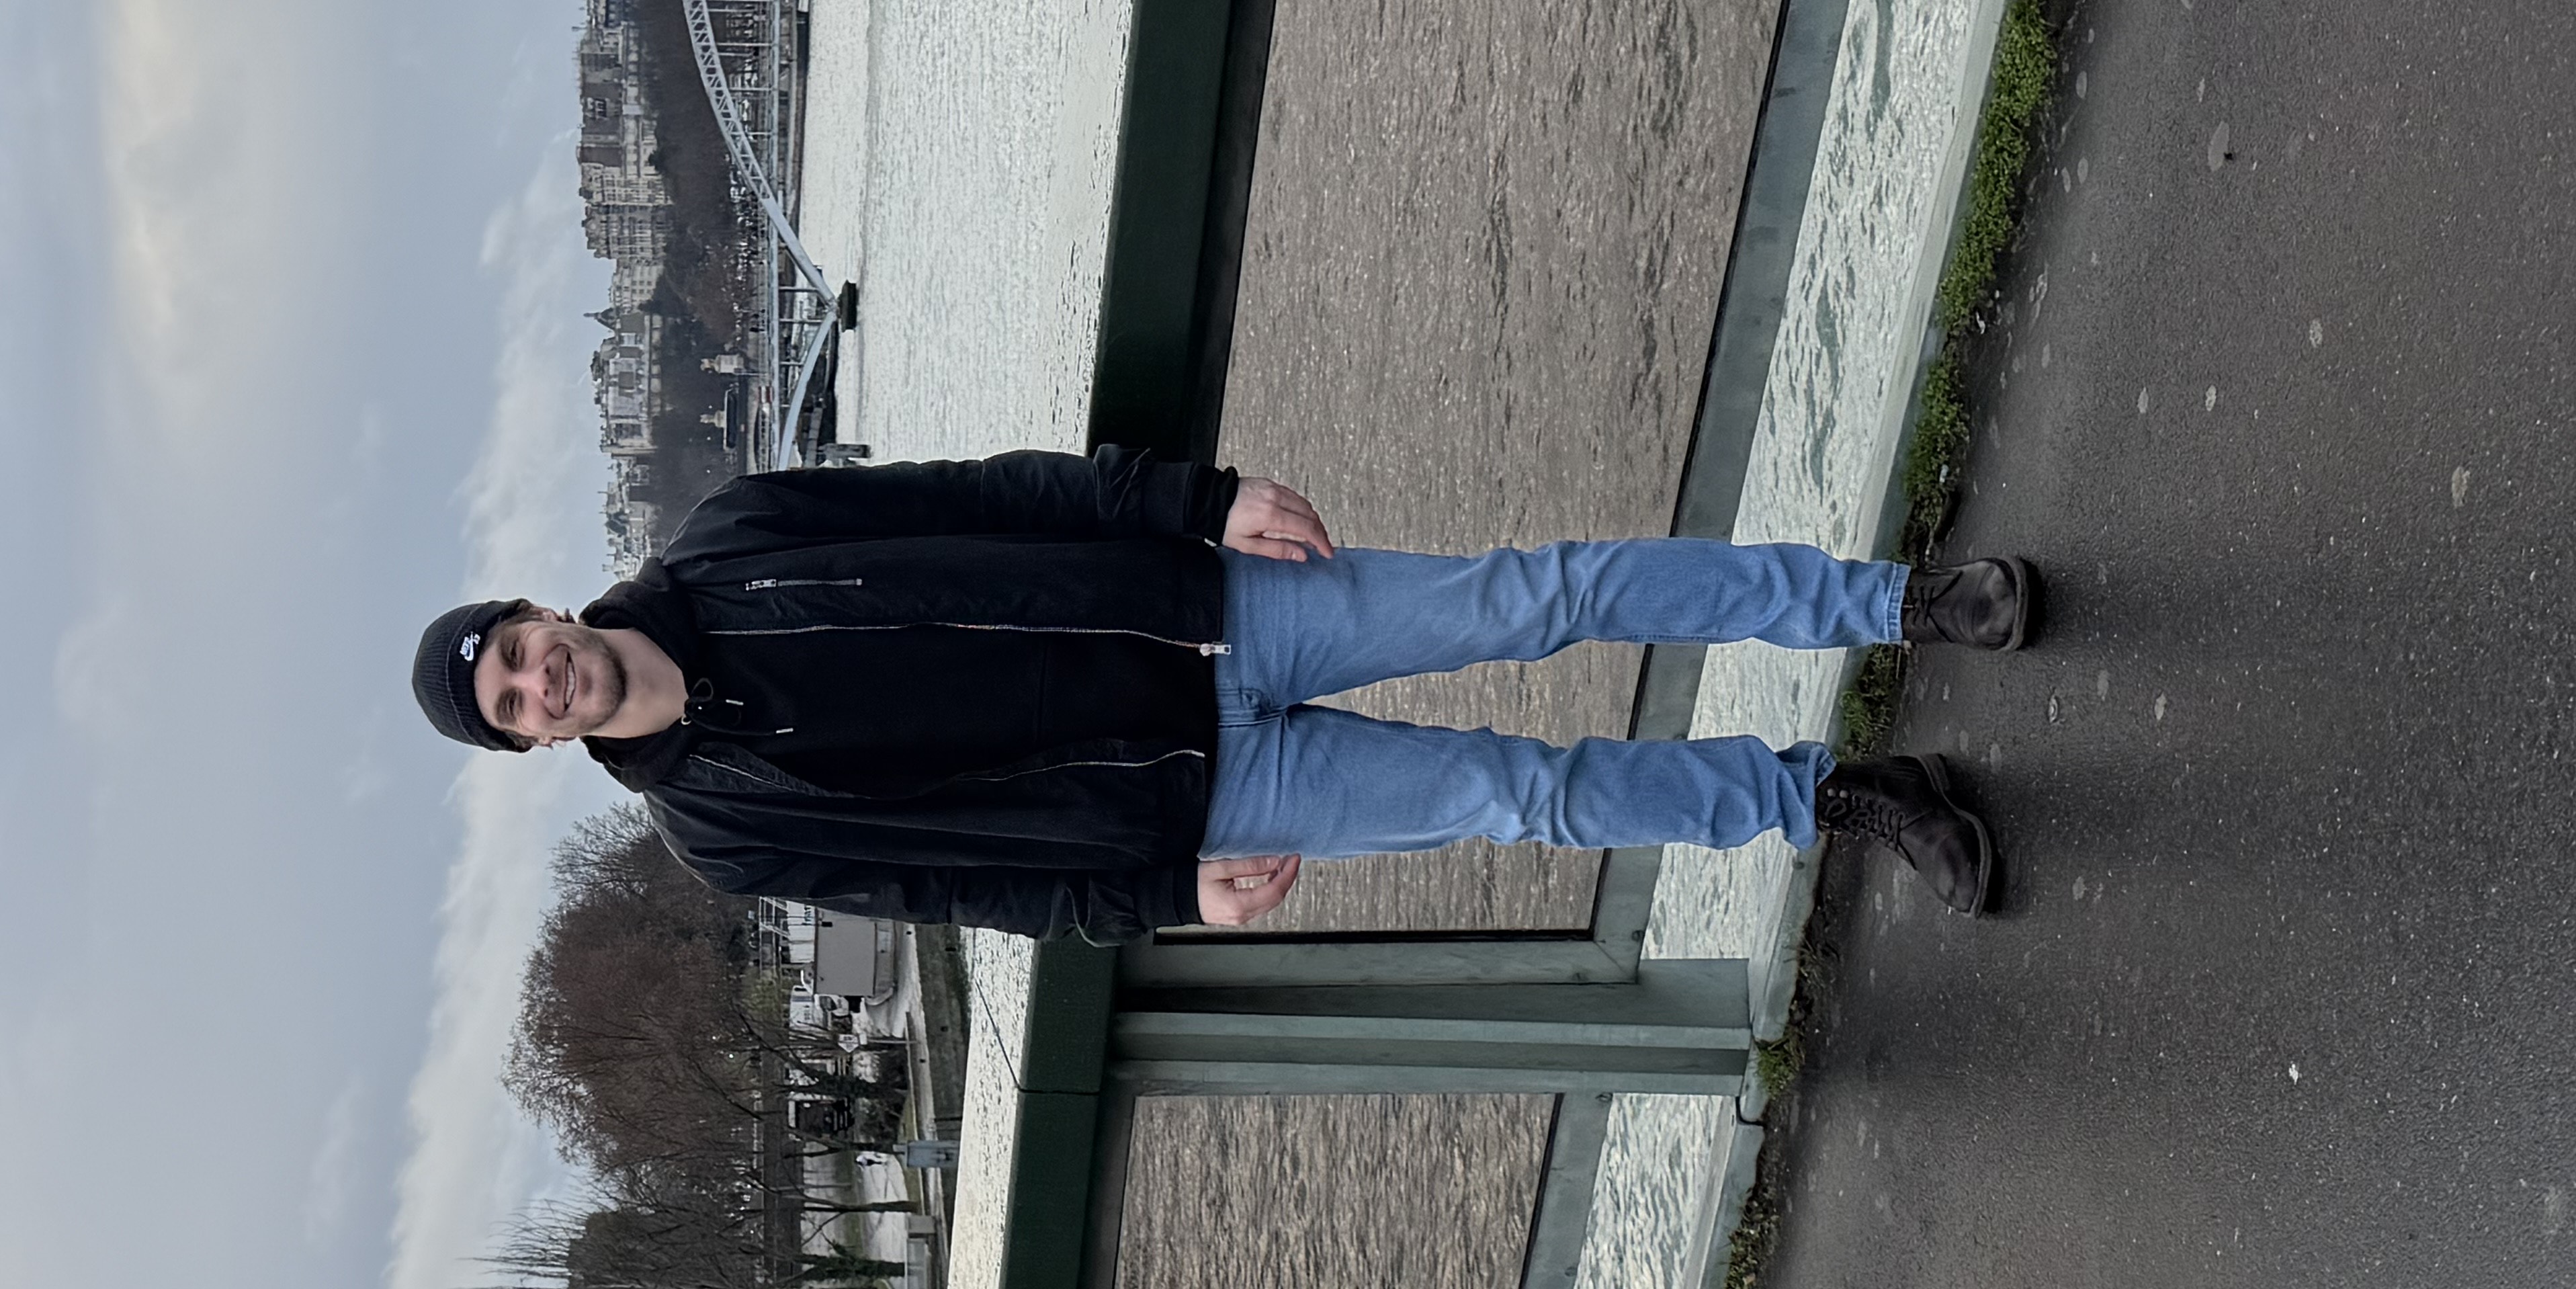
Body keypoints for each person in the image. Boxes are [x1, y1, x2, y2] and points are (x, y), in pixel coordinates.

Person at [409, 448, 2029, 940]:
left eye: (520, 649)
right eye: (519, 704)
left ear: (539, 609)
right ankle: (1834, 796)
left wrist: (1198, 501)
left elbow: (988, 496)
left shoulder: (734, 540)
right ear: (534, 742)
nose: (544, 679)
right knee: (1527, 796)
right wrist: (1164, 899)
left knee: (1539, 598)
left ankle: (1890, 603)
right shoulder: (721, 831)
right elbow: (962, 888)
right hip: (1200, 805)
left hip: (1215, 615)